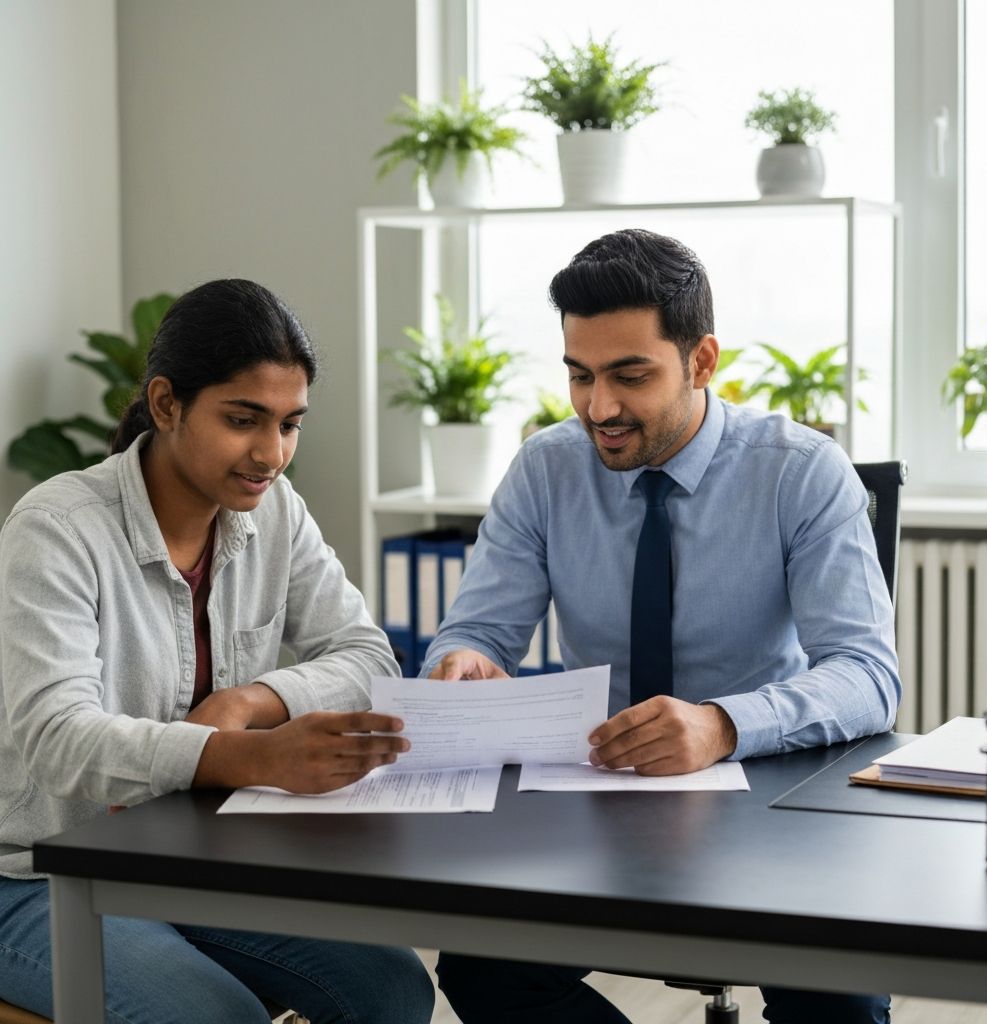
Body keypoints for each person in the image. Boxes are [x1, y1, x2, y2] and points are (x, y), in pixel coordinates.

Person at [425, 229, 900, 1024]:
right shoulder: (545, 470)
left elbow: (867, 674)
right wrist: (464, 662)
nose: (598, 408)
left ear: (702, 361)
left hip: (769, 802)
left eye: (629, 376)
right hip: (599, 800)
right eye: (580, 376)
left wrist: (720, 724)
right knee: (483, 972)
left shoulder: (801, 471)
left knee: (839, 1003)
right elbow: (473, 633)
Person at [0, 280, 434, 1024]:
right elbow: (56, 738)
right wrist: (252, 757)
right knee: (215, 1016)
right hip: (36, 875)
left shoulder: (275, 513)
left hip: (182, 856)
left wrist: (247, 704)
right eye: (244, 420)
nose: (272, 454)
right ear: (167, 404)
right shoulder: (57, 527)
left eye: (290, 424)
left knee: (391, 988)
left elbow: (368, 656)